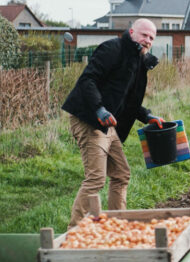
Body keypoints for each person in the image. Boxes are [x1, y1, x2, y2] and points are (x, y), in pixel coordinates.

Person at [62, 18, 165, 227]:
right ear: (132, 32)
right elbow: (87, 80)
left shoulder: (138, 61)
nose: (147, 41)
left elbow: (129, 100)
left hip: (107, 123)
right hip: (89, 118)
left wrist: (147, 116)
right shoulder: (113, 49)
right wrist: (99, 108)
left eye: (151, 38)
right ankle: (74, 232)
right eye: (144, 35)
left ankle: (117, 225)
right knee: (96, 179)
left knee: (120, 174)